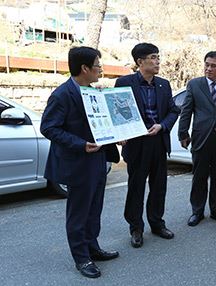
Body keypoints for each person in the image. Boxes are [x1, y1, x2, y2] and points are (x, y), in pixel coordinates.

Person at [41, 46, 120, 278]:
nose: (101, 70)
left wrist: (117, 135)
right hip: (77, 162)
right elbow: (48, 127)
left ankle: (92, 247)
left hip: (98, 159)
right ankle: (82, 258)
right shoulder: (62, 95)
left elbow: (102, 124)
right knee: (79, 213)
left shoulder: (93, 91)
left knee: (94, 208)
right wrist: (79, 144)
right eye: (97, 65)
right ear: (84, 68)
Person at [115, 43, 179, 248]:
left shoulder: (164, 85)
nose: (157, 61)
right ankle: (136, 227)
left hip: (158, 142)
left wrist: (162, 126)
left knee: (159, 187)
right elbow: (115, 110)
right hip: (136, 143)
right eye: (153, 57)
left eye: (158, 57)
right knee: (136, 187)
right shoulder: (124, 83)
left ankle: (157, 223)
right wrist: (120, 134)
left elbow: (172, 111)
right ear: (140, 62)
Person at [179, 51, 216, 226]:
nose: (209, 68)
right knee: (199, 176)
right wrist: (183, 133)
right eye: (207, 64)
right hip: (201, 137)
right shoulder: (195, 85)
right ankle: (197, 211)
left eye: (213, 65)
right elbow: (186, 110)